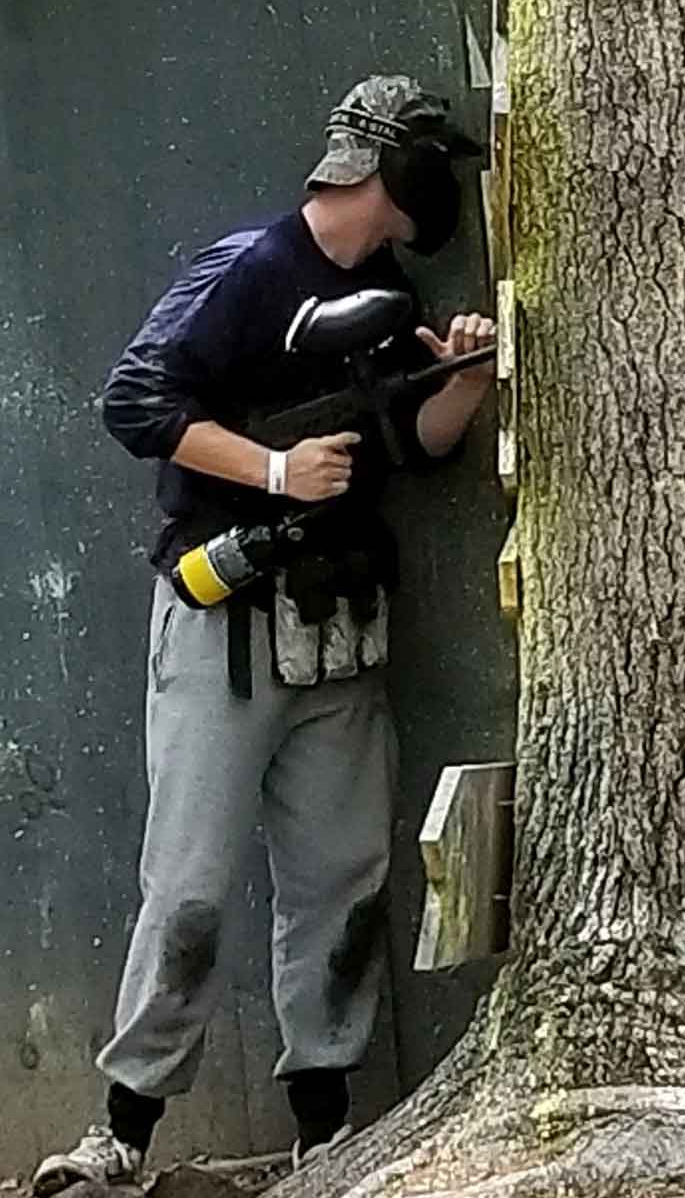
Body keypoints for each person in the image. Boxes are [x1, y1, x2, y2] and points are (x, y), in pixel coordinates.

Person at [33, 76, 495, 1193]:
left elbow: (410, 446)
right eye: (432, 161)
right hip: (226, 627)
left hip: (339, 632)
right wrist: (275, 470)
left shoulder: (385, 294)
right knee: (186, 887)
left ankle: (324, 1140)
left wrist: (466, 378)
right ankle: (122, 1139)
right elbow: (135, 402)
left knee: (339, 883)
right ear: (390, 164)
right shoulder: (249, 269)